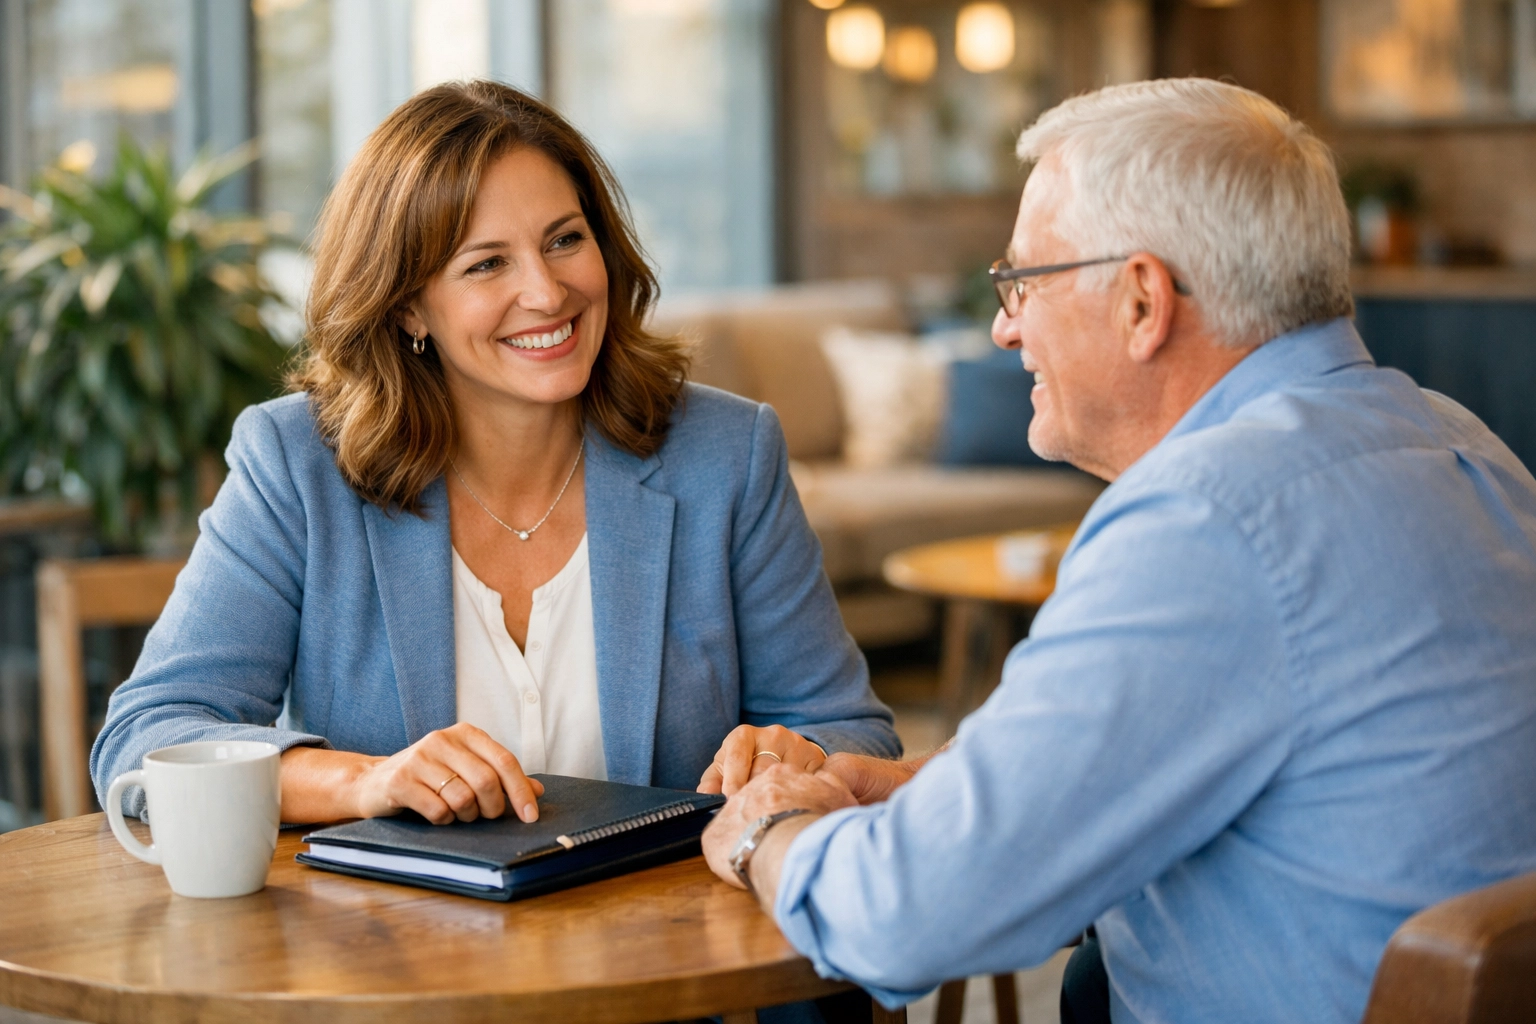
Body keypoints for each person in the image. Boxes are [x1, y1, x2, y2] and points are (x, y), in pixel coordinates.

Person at [700, 78, 1536, 1024]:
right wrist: (905, 785)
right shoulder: (1461, 442)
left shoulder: (1209, 520)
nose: (1002, 326)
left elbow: (906, 916)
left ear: (1142, 300)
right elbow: (1171, 749)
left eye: (1022, 283)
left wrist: (768, 833)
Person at [91, 80, 899, 833]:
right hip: (398, 963)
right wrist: (364, 782)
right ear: (408, 304)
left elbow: (854, 729)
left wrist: (807, 756)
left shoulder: (725, 454)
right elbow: (144, 740)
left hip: (673, 955)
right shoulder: (295, 465)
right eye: (487, 264)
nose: (547, 293)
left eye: (564, 240)